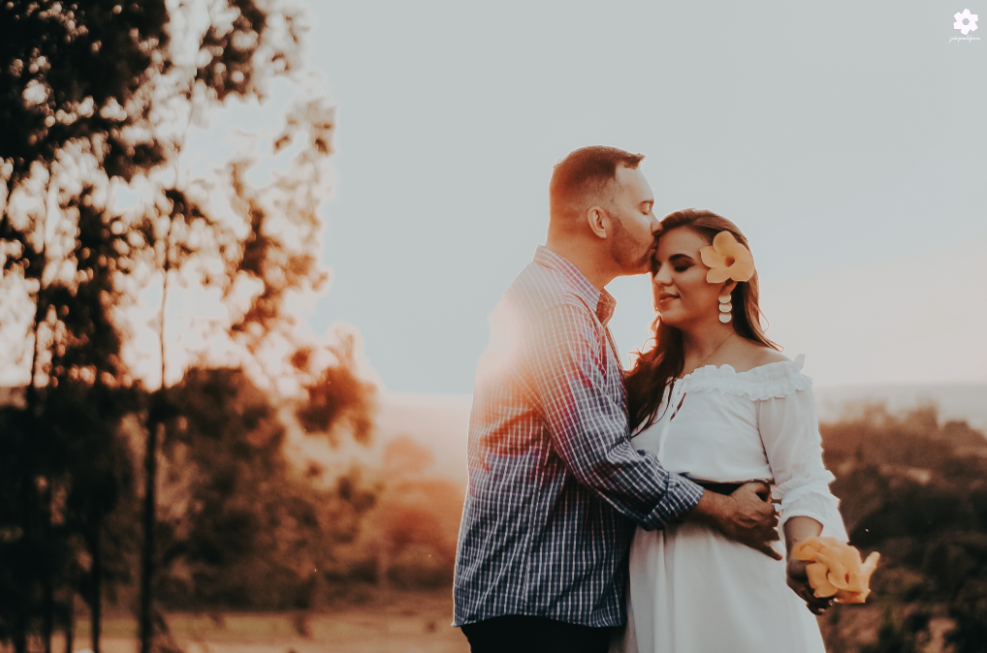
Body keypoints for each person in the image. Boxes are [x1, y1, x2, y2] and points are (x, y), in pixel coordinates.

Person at [452, 147, 781, 653]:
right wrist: (723, 509)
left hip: (542, 601)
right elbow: (601, 456)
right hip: (538, 604)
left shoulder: (567, 305)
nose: (656, 225)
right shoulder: (559, 312)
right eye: (644, 209)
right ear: (600, 221)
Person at [611, 209, 849, 653]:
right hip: (649, 584)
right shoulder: (642, 382)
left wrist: (802, 551)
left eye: (681, 265)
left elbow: (803, 481)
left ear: (727, 279)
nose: (661, 279)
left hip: (735, 583)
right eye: (656, 267)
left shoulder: (769, 374)